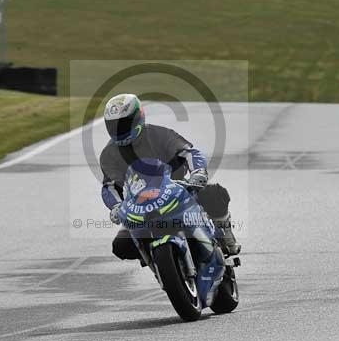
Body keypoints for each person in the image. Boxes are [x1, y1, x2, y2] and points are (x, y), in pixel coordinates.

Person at [99, 93, 241, 260]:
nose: (119, 129)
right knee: (121, 246)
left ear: (137, 118)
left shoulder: (160, 134)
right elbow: (109, 186)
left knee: (216, 194)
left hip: (179, 191)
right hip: (141, 206)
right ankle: (157, 260)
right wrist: (116, 207)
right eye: (114, 125)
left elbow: (189, 153)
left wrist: (198, 172)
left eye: (123, 123)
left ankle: (224, 235)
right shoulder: (108, 154)